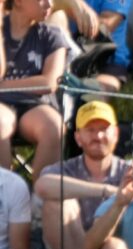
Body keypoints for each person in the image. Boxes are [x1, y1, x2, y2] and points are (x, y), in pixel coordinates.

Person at [35, 100, 128, 249]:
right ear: (78, 138)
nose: (98, 136)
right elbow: (42, 185)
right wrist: (105, 190)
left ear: (116, 134)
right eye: (90, 130)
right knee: (60, 201)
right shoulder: (65, 168)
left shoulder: (128, 171)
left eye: (104, 129)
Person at [0, 0, 69, 176]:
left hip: (34, 105)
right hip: (1, 105)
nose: (49, 4)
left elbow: (49, 83)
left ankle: (41, 199)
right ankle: (5, 194)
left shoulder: (52, 35)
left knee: (54, 127)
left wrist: (4, 86)